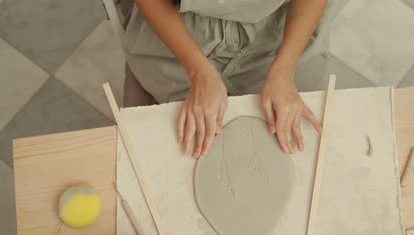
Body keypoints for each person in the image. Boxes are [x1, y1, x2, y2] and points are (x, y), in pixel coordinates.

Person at [124, 0, 343, 158]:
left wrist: (284, 70)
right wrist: (199, 73)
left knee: (301, 147)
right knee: (173, 149)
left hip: (279, 30)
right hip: (181, 31)